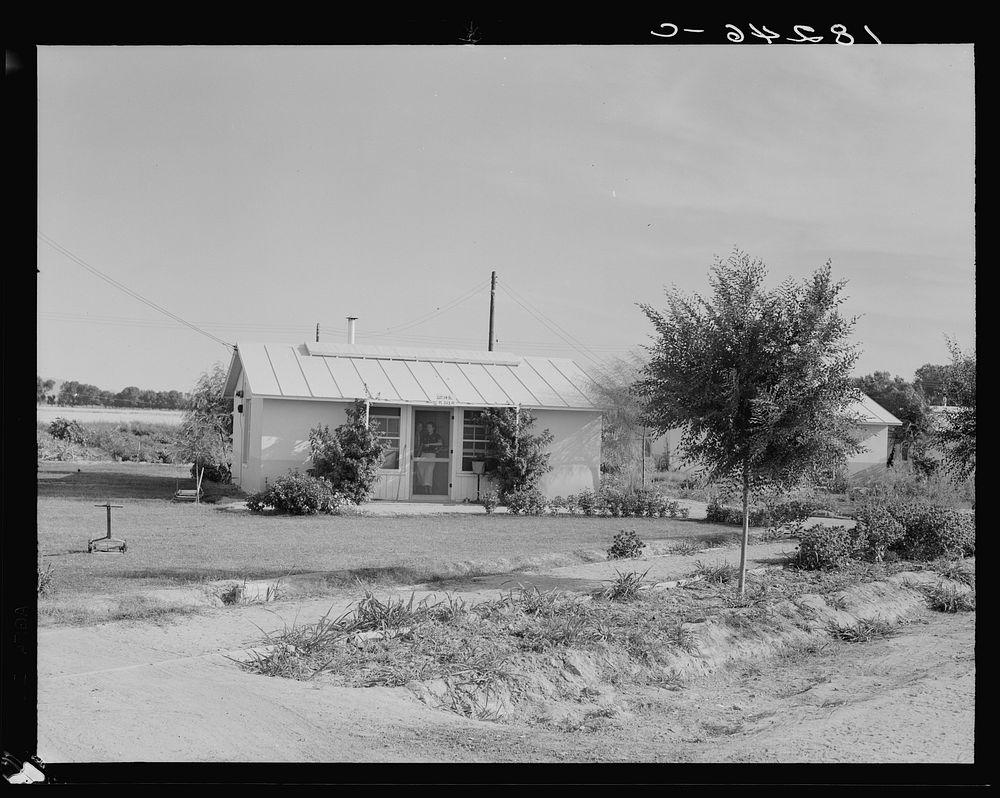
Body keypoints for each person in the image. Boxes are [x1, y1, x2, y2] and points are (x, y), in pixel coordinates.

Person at [416, 421, 444, 494]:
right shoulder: (425, 436)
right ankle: (424, 488)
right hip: (423, 454)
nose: (428, 428)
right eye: (427, 427)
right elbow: (421, 446)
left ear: (433, 428)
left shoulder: (437, 435)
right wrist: (417, 456)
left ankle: (430, 491)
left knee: (429, 472)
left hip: (431, 454)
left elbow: (440, 443)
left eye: (429, 427)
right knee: (420, 468)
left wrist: (430, 444)